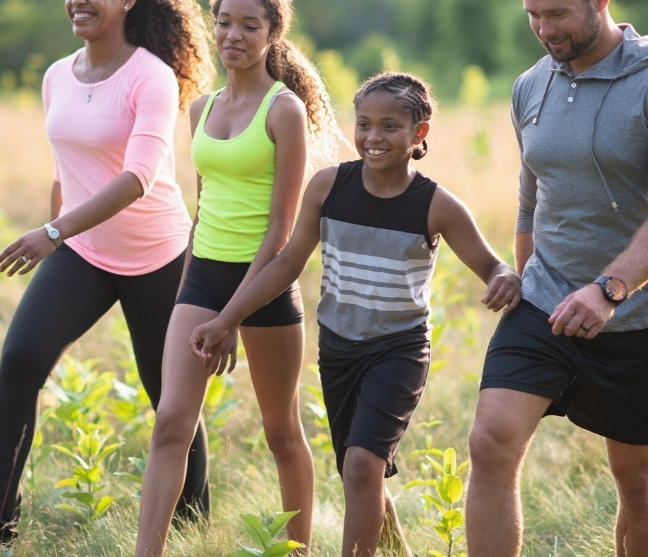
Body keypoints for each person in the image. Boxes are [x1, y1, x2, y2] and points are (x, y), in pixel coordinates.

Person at [0, 0, 215, 556]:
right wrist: (58, 235)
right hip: (84, 250)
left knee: (169, 398)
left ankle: (194, 527)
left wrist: (50, 234)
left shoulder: (151, 75)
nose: (77, 0)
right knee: (19, 362)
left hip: (158, 254)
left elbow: (140, 175)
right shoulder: (57, 75)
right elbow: (66, 170)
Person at [191, 72, 523, 557]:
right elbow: (286, 263)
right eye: (364, 124)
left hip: (398, 350)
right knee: (359, 467)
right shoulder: (329, 187)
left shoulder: (436, 205)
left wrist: (504, 277)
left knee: (362, 467)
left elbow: (491, 263)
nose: (372, 137)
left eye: (389, 126)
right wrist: (226, 320)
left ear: (419, 134)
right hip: (339, 348)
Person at [464, 0, 648, 557]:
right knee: (490, 443)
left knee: (636, 479)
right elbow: (531, 194)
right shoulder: (531, 86)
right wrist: (525, 277)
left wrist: (609, 289)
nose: (543, 29)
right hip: (545, 302)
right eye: (532, 15)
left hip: (636, 317)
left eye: (557, 14)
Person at [133, 0, 341, 557]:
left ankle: (296, 551)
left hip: (265, 283)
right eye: (224, 21)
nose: (233, 35)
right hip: (203, 275)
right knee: (171, 419)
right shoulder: (200, 108)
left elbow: (282, 228)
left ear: (273, 34)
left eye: (250, 25)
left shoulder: (285, 110)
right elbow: (205, 208)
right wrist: (194, 295)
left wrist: (230, 318)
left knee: (281, 432)